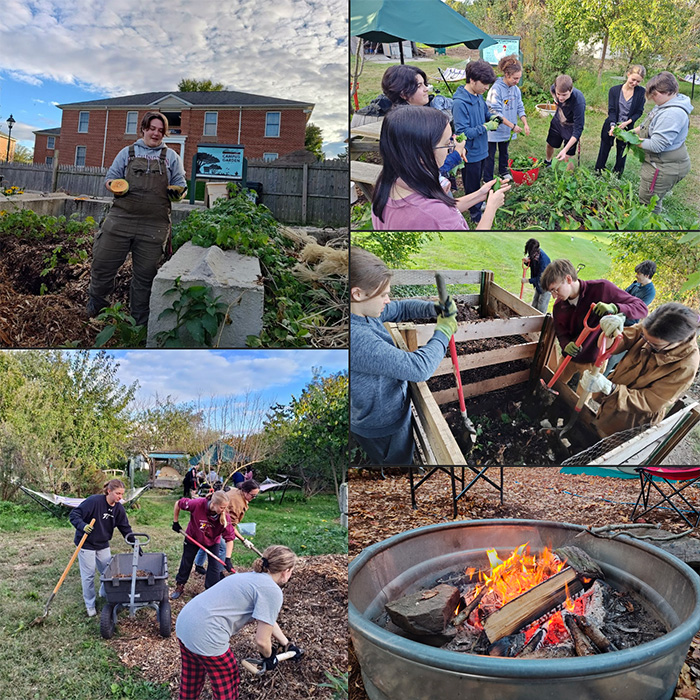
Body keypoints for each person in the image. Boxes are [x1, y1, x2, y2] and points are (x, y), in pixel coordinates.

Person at [350, 247, 458, 465]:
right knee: (397, 469)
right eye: (383, 295)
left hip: (388, 413)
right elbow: (419, 368)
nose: (387, 300)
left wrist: (435, 309)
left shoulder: (364, 312)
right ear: (358, 293)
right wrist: (444, 332)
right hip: (382, 426)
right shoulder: (357, 338)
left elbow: (400, 308)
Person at [87, 111, 187, 325]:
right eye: (152, 128)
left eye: (161, 130)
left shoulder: (171, 157)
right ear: (143, 129)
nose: (156, 133)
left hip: (154, 226)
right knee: (102, 266)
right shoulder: (127, 152)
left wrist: (179, 192)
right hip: (121, 219)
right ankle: (97, 313)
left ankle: (139, 325)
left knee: (145, 278)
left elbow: (181, 183)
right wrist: (114, 187)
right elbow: (111, 178)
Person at [175, 545, 300, 700]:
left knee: (192, 676)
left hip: (185, 623)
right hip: (207, 633)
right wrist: (269, 657)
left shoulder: (248, 577)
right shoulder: (272, 591)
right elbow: (262, 641)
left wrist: (286, 643)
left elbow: (268, 620)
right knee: (228, 679)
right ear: (286, 571)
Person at [371, 106, 509, 231]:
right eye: (447, 142)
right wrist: (491, 207)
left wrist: (481, 194)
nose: (452, 147)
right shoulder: (434, 215)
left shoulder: (388, 183)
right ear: (423, 154)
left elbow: (446, 210)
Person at [581, 303, 700, 436]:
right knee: (595, 432)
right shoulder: (651, 329)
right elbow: (618, 343)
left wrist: (611, 389)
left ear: (678, 341)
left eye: (654, 345)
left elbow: (651, 401)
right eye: (644, 338)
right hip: (611, 405)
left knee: (609, 447)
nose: (646, 345)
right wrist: (610, 333)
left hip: (632, 422)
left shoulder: (686, 365)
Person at [539, 259, 649, 392]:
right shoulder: (559, 306)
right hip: (570, 357)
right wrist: (565, 344)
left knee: (581, 399)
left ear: (568, 279)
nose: (554, 296)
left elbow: (642, 308)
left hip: (594, 360)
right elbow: (560, 331)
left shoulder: (602, 289)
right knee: (554, 384)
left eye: (555, 290)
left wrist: (615, 307)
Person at [381, 64, 464, 191]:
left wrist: (449, 144)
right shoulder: (409, 127)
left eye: (425, 84)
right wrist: (457, 152)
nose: (426, 89)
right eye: (419, 86)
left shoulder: (401, 118)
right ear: (404, 93)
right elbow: (426, 169)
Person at [68, 479, 133, 617]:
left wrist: (134, 543)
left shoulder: (118, 508)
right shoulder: (94, 501)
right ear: (109, 491)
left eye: (122, 494)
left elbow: (125, 528)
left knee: (108, 572)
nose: (120, 497)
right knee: (89, 575)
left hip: (103, 543)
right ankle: (90, 604)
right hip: (86, 543)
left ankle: (104, 594)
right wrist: (82, 526)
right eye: (117, 493)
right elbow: (74, 515)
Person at [633, 72, 693, 212]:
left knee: (649, 204)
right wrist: (629, 132)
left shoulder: (672, 114)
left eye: (655, 95)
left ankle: (648, 229)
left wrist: (630, 140)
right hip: (657, 163)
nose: (653, 98)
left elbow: (656, 145)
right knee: (648, 199)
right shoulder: (664, 104)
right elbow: (644, 126)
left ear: (669, 91)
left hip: (662, 167)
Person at [452, 59, 499, 224]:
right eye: (484, 84)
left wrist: (491, 117)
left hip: (482, 149)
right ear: (472, 80)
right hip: (470, 154)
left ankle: (478, 203)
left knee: (479, 180)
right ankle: (474, 213)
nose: (487, 88)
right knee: (471, 184)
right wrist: (486, 127)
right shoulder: (459, 103)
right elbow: (462, 133)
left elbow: (485, 113)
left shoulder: (478, 96)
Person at [170, 490, 235, 599]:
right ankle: (180, 585)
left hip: (212, 541)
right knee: (186, 562)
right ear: (213, 504)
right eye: (222, 507)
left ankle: (210, 591)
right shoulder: (197, 504)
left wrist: (228, 559)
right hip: (193, 538)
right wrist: (175, 522)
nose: (224, 510)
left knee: (214, 568)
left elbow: (230, 539)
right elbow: (178, 503)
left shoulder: (224, 517)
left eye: (225, 507)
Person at [193, 479, 260, 576]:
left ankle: (198, 565)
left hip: (212, 519)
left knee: (205, 542)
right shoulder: (237, 503)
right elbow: (230, 526)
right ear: (245, 491)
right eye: (252, 495)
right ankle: (218, 572)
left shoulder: (237, 491)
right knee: (223, 548)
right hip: (215, 523)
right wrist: (243, 539)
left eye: (255, 496)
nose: (253, 498)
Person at [604, 260, 657, 376]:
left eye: (639, 274)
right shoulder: (636, 284)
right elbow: (623, 296)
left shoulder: (650, 292)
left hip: (627, 325)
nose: (636, 275)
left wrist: (622, 310)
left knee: (612, 357)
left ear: (647, 275)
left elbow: (637, 309)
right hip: (617, 318)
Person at [594, 65, 647, 176]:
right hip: (611, 123)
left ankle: (617, 174)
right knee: (605, 147)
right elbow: (612, 110)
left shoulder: (641, 92)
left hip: (627, 127)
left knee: (622, 151)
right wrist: (613, 126)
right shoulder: (614, 90)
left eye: (638, 81)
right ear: (628, 75)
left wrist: (627, 123)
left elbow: (639, 112)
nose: (634, 83)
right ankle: (598, 170)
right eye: (633, 79)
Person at [485, 55, 530, 182]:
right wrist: (513, 126)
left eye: (519, 78)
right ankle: (487, 178)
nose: (517, 81)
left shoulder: (515, 90)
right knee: (490, 154)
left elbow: (520, 107)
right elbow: (496, 113)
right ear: (506, 74)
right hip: (494, 129)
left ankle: (503, 171)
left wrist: (525, 123)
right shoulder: (496, 89)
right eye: (515, 78)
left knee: (504, 152)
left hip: (507, 129)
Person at [544, 75, 586, 169]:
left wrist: (565, 149)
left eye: (564, 95)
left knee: (568, 156)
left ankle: (568, 180)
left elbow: (578, 130)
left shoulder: (579, 102)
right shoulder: (553, 89)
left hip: (571, 126)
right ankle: (548, 161)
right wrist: (557, 103)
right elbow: (556, 97)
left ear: (571, 90)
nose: (561, 98)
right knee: (550, 144)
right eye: (558, 94)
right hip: (558, 120)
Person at [522, 238, 551, 313]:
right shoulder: (534, 253)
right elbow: (532, 263)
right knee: (534, 304)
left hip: (547, 284)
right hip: (538, 284)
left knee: (541, 307)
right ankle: (531, 319)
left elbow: (541, 278)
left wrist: (528, 280)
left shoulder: (543, 261)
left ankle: (540, 323)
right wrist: (527, 261)